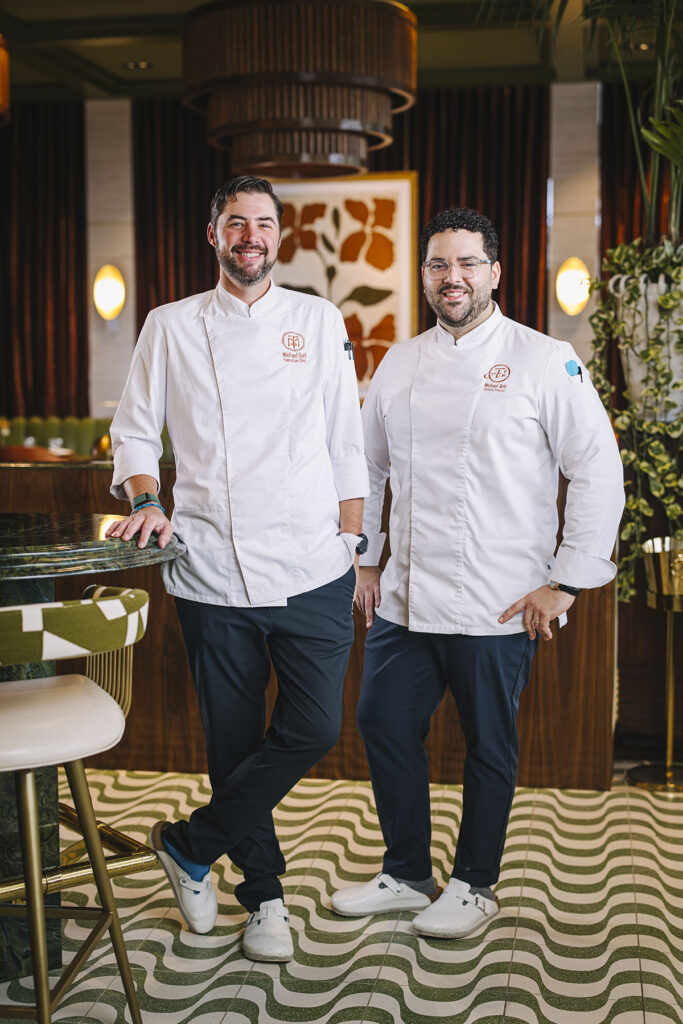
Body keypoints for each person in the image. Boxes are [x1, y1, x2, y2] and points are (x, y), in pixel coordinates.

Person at [331, 207, 624, 938]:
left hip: (499, 598)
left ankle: (475, 884)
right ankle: (406, 873)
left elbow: (597, 468)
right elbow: (367, 466)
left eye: (467, 263)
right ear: (424, 274)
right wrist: (366, 557)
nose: (451, 277)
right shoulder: (399, 362)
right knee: (380, 720)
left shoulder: (544, 358)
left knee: (487, 743)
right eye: (438, 264)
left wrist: (565, 581)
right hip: (405, 595)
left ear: (494, 271)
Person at [107, 175, 369, 962]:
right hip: (212, 567)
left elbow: (344, 439)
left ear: (278, 238)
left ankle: (189, 845)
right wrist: (147, 499)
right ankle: (264, 898)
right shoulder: (171, 324)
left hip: (313, 564)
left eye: (262, 223)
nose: (249, 235)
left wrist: (352, 542)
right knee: (232, 740)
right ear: (213, 235)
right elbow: (133, 432)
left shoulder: (317, 320)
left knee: (314, 726)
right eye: (235, 222)